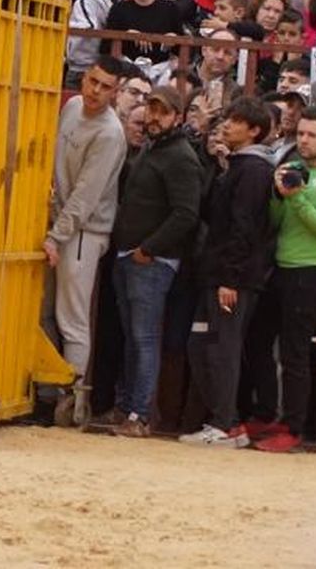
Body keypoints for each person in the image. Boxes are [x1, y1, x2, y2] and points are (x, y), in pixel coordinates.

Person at [101, 85, 202, 438]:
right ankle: (130, 407)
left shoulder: (180, 156)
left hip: (151, 260)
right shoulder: (153, 149)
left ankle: (139, 413)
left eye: (163, 111)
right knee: (134, 337)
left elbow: (186, 214)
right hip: (133, 255)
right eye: (152, 109)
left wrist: (149, 249)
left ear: (177, 117)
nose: (154, 117)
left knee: (143, 338)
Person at [178, 97, 277, 449]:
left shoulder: (254, 171)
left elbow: (244, 229)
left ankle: (227, 424)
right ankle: (223, 420)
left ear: (254, 130)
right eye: (228, 119)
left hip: (231, 279)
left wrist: (230, 279)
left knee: (222, 347)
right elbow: (212, 214)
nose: (228, 125)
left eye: (237, 121)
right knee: (201, 345)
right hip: (216, 274)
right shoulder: (234, 166)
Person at [255, 107, 316, 453]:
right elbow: (276, 219)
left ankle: (294, 426)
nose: (304, 141)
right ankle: (268, 413)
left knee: (295, 352)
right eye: (300, 134)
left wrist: (296, 199)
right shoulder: (293, 169)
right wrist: (279, 195)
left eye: (312, 135)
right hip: (280, 266)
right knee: (260, 340)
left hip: (309, 270)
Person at [42, 56, 126, 426]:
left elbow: (86, 194)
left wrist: (57, 234)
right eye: (93, 81)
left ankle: (71, 401)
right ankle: (47, 394)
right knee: (46, 312)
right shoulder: (73, 106)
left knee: (72, 318)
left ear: (115, 92)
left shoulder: (110, 133)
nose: (94, 91)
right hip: (57, 222)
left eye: (105, 86)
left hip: (83, 232)